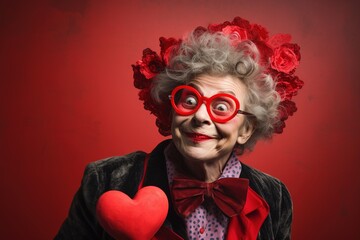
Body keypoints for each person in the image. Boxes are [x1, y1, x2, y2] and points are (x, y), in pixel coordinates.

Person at [55, 17, 303, 240]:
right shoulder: (106, 180)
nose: (200, 116)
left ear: (246, 128)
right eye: (190, 100)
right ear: (172, 110)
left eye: (221, 106)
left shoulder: (274, 195)